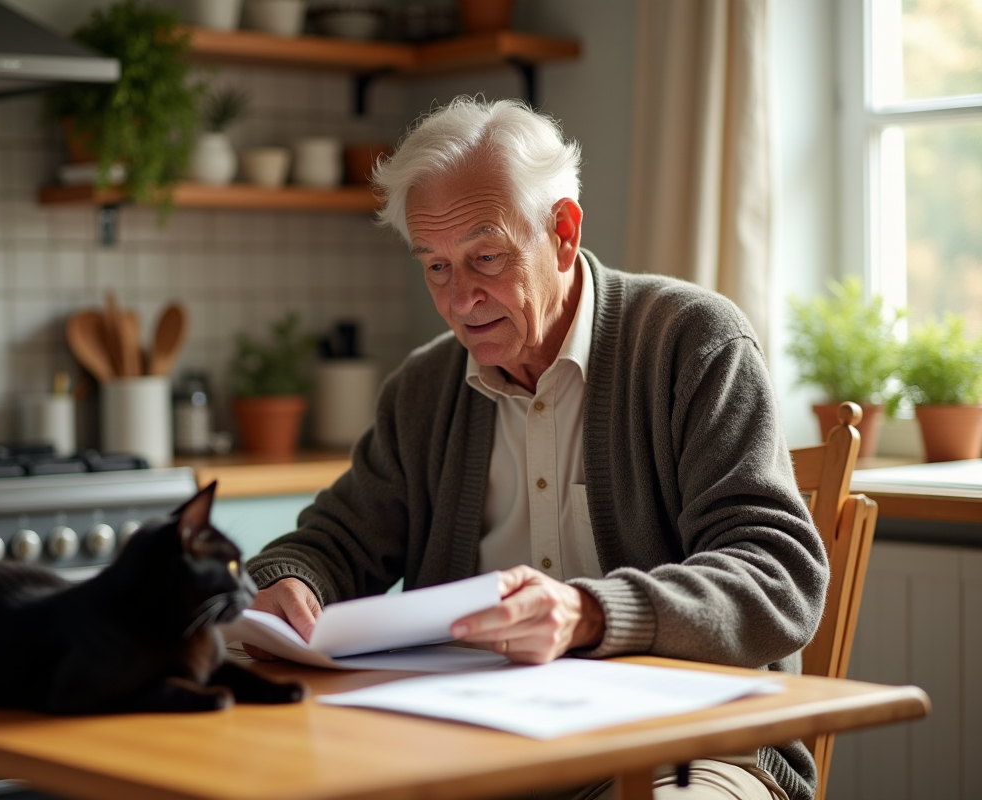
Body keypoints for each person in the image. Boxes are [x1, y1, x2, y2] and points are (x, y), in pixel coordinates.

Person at [243, 97, 828, 800]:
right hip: (475, 752)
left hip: (687, 751)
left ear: (563, 233)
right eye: (435, 267)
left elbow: (779, 576)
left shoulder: (691, 343)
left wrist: (590, 613)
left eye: (484, 257)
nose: (460, 299)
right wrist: (292, 582)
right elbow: (336, 542)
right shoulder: (424, 389)